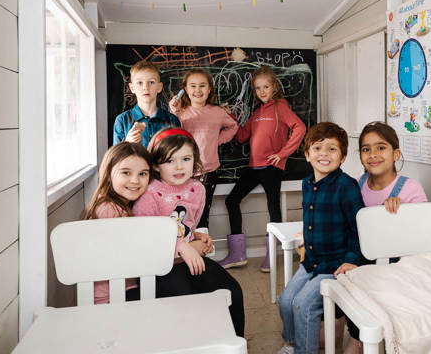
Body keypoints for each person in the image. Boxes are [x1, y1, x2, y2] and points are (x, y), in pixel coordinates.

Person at [133, 127, 245, 337]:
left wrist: (196, 237)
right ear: (156, 165)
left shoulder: (198, 189)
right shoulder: (149, 194)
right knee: (187, 301)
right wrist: (181, 246)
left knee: (232, 291)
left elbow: (186, 226)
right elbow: (145, 237)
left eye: (186, 159)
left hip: (188, 261)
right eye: (170, 161)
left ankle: (234, 344)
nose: (179, 167)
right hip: (159, 267)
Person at [341, 121, 429, 354]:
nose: (373, 155)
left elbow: (423, 234)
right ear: (360, 155)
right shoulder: (356, 185)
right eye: (366, 149)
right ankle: (356, 336)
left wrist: (402, 213)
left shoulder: (410, 189)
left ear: (396, 153)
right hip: (362, 257)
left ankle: (361, 339)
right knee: (347, 276)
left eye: (381, 147)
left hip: (398, 265)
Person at [276, 122, 364, 354]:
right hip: (312, 259)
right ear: (307, 155)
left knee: (303, 305)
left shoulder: (347, 186)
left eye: (332, 149)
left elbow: (359, 229)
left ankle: (306, 351)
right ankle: (293, 343)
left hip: (335, 264)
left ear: (342, 157)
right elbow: (311, 217)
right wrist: (308, 238)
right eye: (317, 148)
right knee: (286, 300)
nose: (324, 154)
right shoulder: (307, 184)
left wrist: (353, 260)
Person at [219, 66, 307, 272]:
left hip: (271, 167)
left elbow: (300, 127)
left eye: (265, 86)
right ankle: (237, 254)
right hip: (253, 167)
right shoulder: (257, 112)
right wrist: (230, 116)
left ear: (274, 86)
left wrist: (282, 154)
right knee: (231, 200)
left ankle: (271, 258)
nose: (261, 91)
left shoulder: (280, 108)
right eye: (258, 88)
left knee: (273, 208)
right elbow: (241, 136)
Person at [168, 68, 238, 234]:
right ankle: (183, 252)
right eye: (192, 86)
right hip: (182, 173)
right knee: (180, 214)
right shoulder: (181, 113)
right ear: (185, 89)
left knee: (202, 214)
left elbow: (233, 126)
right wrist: (174, 111)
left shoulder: (217, 112)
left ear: (209, 89)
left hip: (208, 172)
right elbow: (171, 134)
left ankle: (201, 255)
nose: (197, 90)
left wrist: (217, 140)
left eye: (202, 86)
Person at [82, 142, 153, 304]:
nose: (135, 180)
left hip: (123, 288)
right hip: (112, 296)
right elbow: (133, 257)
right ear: (108, 174)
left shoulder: (124, 204)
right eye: (126, 172)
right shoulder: (109, 210)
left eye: (143, 174)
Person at [113, 60, 180, 148]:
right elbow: (116, 158)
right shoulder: (122, 120)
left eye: (151, 82)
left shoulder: (172, 120)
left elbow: (178, 153)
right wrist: (127, 142)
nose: (145, 87)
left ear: (159, 87)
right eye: (140, 83)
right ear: (132, 88)